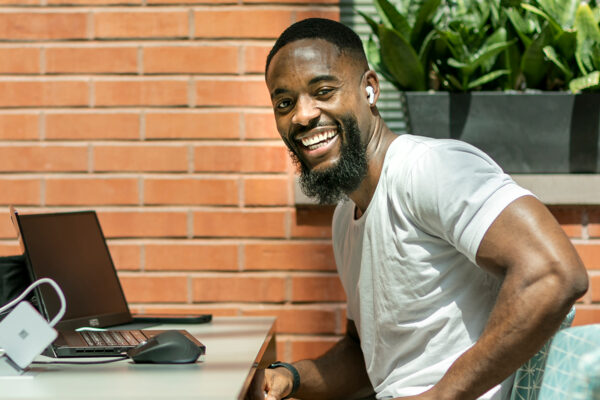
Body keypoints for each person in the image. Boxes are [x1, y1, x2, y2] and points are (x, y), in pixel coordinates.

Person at [255, 18, 589, 400]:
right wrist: (290, 377)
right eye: (285, 103)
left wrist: (440, 395)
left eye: (324, 90)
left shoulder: (429, 169)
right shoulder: (346, 218)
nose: (302, 115)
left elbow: (554, 273)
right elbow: (365, 357)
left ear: (369, 89)